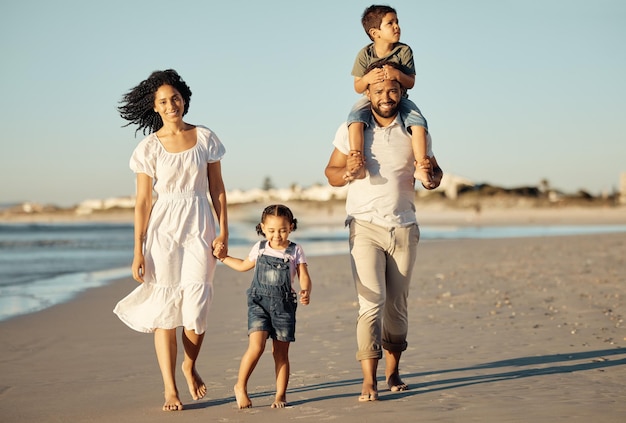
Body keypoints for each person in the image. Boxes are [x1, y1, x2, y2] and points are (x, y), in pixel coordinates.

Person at [324, 64, 443, 402]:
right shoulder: (353, 130)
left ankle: (393, 372)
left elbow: (435, 173)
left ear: (401, 93)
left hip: (404, 227)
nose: (386, 97)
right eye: (379, 92)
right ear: (368, 95)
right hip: (364, 226)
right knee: (370, 302)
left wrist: (431, 176)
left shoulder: (414, 130)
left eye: (392, 91)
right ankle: (368, 380)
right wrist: (346, 172)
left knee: (396, 305)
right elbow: (330, 171)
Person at [113, 69, 229, 412]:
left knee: (196, 305)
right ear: (155, 107)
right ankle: (170, 388)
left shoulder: (205, 137)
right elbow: (143, 202)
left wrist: (223, 231)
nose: (171, 104)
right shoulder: (148, 148)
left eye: (175, 98)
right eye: (163, 101)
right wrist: (138, 249)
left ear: (184, 99)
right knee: (165, 310)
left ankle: (189, 365)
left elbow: (217, 189)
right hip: (162, 231)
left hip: (199, 225)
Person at [214, 204, 312, 409]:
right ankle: (240, 386)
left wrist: (305, 291)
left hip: (284, 307)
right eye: (272, 230)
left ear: (291, 227)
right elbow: (242, 266)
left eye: (283, 230)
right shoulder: (259, 248)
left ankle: (280, 395)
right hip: (259, 303)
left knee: (281, 353)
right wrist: (223, 257)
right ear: (263, 228)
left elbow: (304, 275)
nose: (277, 235)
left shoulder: (295, 250)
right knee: (256, 346)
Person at [346, 4, 434, 188]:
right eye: (390, 23)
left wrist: (397, 75)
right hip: (371, 99)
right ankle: (357, 162)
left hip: (399, 99)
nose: (397, 26)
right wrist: (368, 78)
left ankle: (422, 166)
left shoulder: (404, 51)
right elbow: (357, 86)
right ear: (374, 32)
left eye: (397, 22)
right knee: (354, 119)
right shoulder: (365, 54)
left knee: (418, 121)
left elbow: (410, 82)